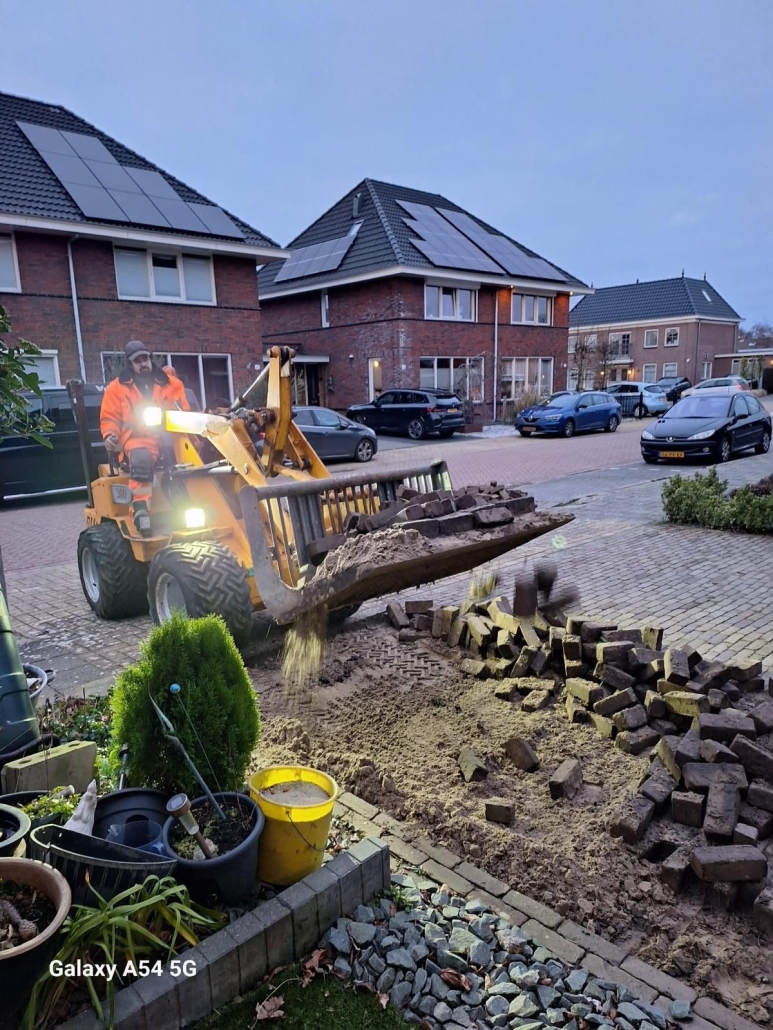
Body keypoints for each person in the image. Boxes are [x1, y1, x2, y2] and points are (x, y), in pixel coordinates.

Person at [100, 340, 189, 537]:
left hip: (170, 435)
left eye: (145, 359)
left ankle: (191, 505)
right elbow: (110, 417)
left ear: (150, 358)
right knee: (141, 460)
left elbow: (183, 409)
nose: (143, 364)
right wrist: (110, 435)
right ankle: (141, 512)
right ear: (130, 364)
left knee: (194, 460)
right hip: (137, 438)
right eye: (138, 361)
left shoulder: (171, 383)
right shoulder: (116, 389)